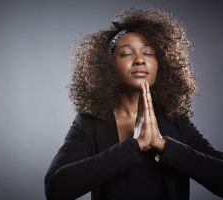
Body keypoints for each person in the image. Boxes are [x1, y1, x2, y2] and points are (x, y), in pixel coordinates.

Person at [44, 8, 223, 200]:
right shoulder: (90, 123)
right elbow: (56, 189)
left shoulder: (176, 119)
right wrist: (134, 146)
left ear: (160, 64)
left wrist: (163, 145)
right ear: (108, 66)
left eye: (148, 53)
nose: (139, 60)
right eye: (126, 53)